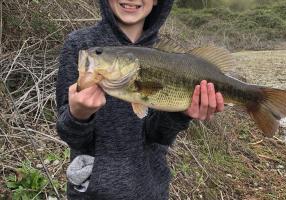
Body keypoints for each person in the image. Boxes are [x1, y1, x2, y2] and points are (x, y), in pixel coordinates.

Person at [56, 0, 224, 199]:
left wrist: (181, 114)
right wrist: (79, 114)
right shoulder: (81, 45)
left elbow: (158, 136)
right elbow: (69, 135)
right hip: (91, 192)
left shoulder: (166, 54)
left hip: (150, 190)